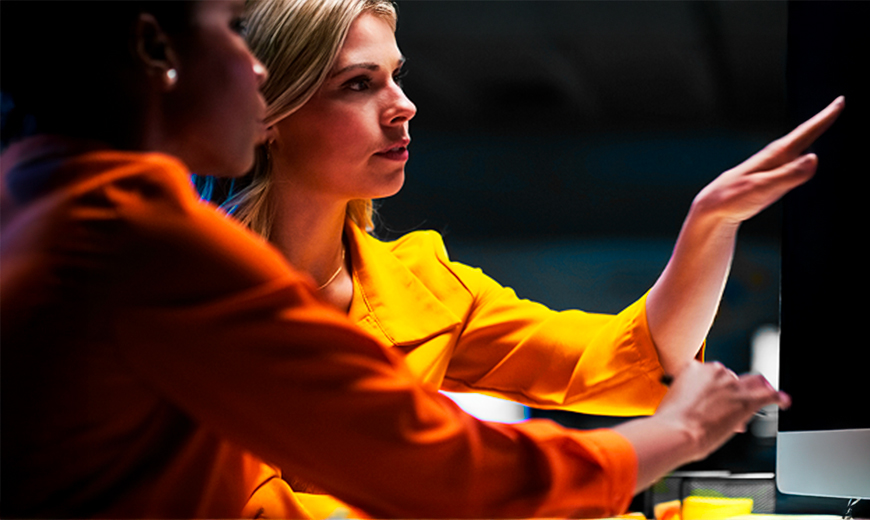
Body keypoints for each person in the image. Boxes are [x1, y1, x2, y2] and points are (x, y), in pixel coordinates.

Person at [0, 1, 821, 519]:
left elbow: (629, 359)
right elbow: (435, 474)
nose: (405, 105)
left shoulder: (414, 280)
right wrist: (666, 438)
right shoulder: (171, 254)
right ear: (274, 111)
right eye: (358, 85)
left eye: (396, 77)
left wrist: (709, 223)